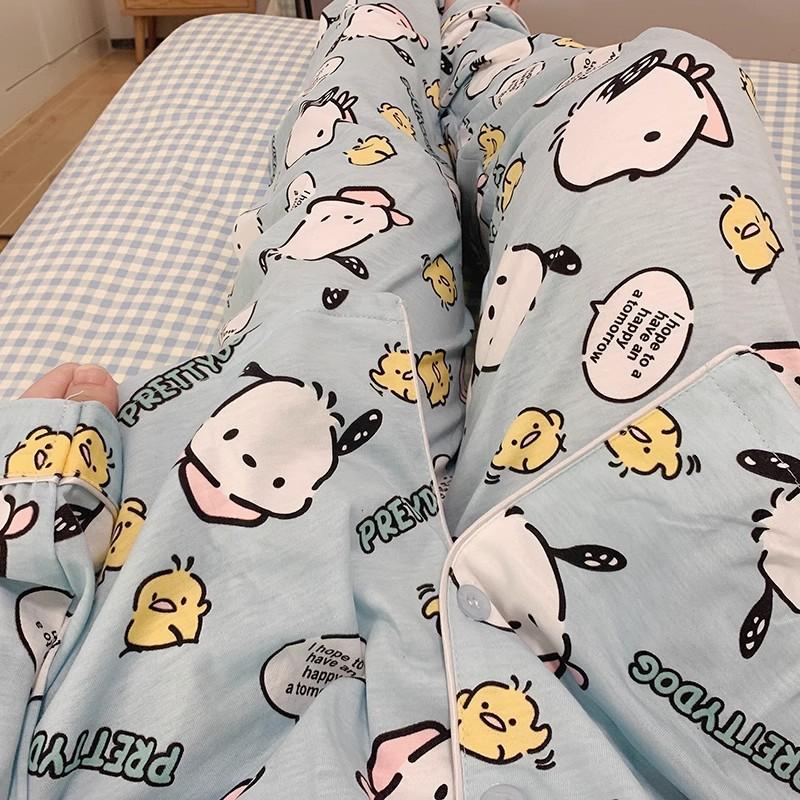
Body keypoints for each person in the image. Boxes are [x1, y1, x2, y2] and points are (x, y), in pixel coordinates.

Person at [2, 0, 799, 796]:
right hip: (689, 649)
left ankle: (411, 19)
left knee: (359, 166)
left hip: (207, 658)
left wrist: (31, 506)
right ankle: (476, 34)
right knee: (678, 83)